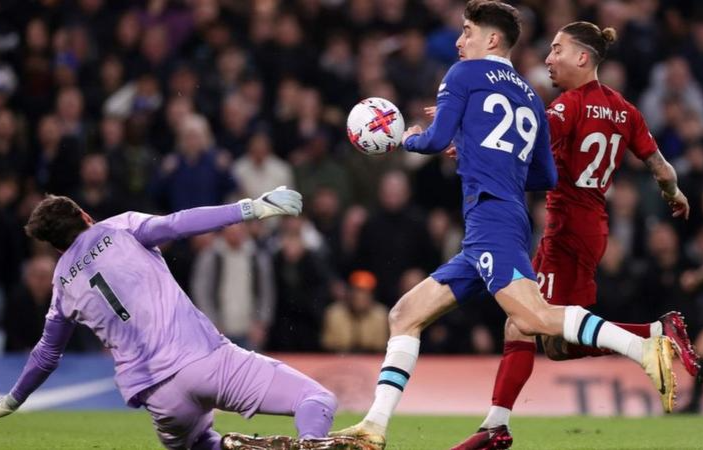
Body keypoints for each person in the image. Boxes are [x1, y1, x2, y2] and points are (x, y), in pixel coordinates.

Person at [332, 3, 677, 450]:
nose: (459, 42)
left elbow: (434, 141)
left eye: (467, 31)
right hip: (499, 221)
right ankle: (374, 426)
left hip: (491, 219)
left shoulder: (462, 75)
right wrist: (481, 153)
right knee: (405, 315)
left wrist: (406, 136)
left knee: (532, 317)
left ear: (491, 40)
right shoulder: (532, 96)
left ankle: (644, 348)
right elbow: (546, 177)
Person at [461, 21, 699, 450]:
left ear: (583, 58)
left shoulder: (567, 107)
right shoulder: (626, 109)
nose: (548, 59)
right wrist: (675, 195)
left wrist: (468, 143)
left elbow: (522, 148)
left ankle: (654, 333)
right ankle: (495, 424)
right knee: (531, 330)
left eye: (556, 50)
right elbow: (661, 168)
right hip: (591, 226)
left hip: (568, 228)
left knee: (533, 327)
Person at [0, 189, 363, 450]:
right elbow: (177, 225)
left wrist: (12, 400)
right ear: (84, 216)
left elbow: (46, 354)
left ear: (54, 246)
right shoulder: (120, 228)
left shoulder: (62, 284)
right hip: (205, 360)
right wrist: (249, 209)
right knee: (315, 399)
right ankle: (312, 444)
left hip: (160, 399)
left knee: (201, 443)